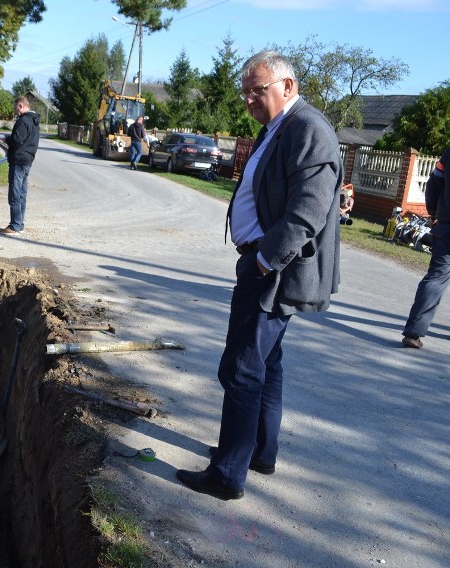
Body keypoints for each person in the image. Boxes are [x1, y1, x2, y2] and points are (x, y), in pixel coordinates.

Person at [176, 51, 342, 500]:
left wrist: (265, 261)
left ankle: (227, 474)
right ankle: (258, 453)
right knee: (267, 364)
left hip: (273, 269)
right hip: (264, 263)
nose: (249, 98)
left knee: (242, 368)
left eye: (258, 89)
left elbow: (309, 208)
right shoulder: (280, 127)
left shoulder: (308, 128)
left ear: (287, 86)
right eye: (245, 90)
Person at [401, 148, 449, 348]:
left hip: (446, 226)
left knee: (436, 278)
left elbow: (434, 183)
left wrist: (433, 211)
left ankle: (413, 332)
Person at [0, 96, 40, 235]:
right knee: (22, 193)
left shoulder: (23, 120)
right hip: (28, 160)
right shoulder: (35, 121)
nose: (15, 111)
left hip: (19, 160)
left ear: (21, 106)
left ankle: (15, 225)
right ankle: (20, 223)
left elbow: (18, 139)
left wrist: (7, 140)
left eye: (16, 107)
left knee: (15, 193)